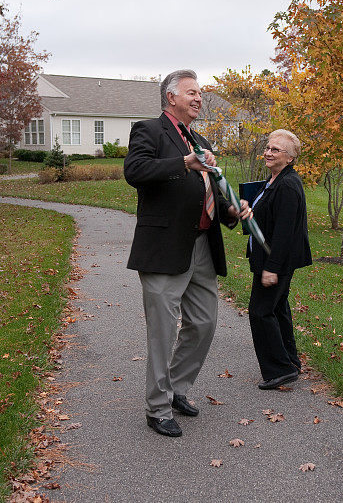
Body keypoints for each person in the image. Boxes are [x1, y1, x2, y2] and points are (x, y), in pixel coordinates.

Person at [124, 69, 249, 437]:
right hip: (165, 248)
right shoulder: (149, 131)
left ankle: (176, 388)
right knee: (163, 331)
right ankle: (157, 408)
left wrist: (232, 210)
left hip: (203, 246)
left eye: (200, 92)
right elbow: (136, 170)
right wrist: (183, 163)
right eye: (192, 92)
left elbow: (212, 190)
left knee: (204, 323)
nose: (198, 98)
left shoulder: (201, 139)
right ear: (171, 97)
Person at [244, 129, 312, 390]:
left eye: (276, 150)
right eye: (268, 148)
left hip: (277, 261)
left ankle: (279, 370)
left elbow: (284, 232)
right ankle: (290, 362)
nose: (268, 153)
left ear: (291, 158)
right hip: (270, 258)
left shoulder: (288, 185)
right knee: (277, 307)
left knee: (260, 311)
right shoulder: (273, 180)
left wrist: (272, 268)